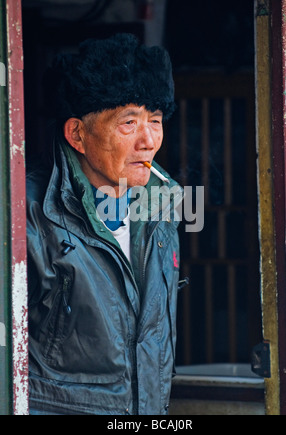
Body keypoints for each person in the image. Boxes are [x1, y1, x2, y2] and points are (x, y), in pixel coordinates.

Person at [27, 33, 183, 415]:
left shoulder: (160, 207)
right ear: (78, 134)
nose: (149, 140)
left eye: (156, 120)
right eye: (129, 122)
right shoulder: (29, 213)